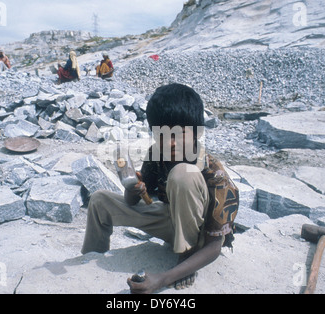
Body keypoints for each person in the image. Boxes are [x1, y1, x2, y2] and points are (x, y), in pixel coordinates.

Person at [81, 83, 239, 294]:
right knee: (100, 200)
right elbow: (131, 202)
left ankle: (187, 257)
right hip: (171, 221)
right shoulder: (157, 153)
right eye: (162, 135)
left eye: (179, 134)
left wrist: (163, 279)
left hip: (201, 238)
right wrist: (132, 188)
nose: (170, 143)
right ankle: (90, 258)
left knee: (183, 174)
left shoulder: (215, 174)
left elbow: (214, 247)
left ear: (197, 133)